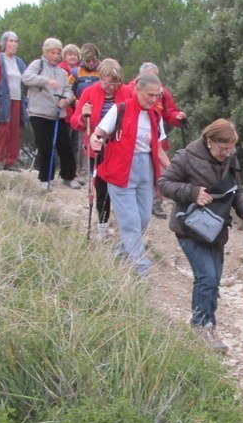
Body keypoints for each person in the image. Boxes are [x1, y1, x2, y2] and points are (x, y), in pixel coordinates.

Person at [158, 119, 243, 352]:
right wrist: (192, 193)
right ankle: (200, 328)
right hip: (188, 229)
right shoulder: (186, 157)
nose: (227, 153)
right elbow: (164, 183)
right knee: (207, 278)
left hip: (216, 229)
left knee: (213, 282)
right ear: (209, 140)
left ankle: (209, 325)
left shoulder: (231, 158)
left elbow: (237, 190)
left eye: (231, 148)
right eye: (223, 149)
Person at [89, 73, 168, 278]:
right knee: (131, 221)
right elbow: (99, 133)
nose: (153, 99)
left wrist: (173, 170)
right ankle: (140, 267)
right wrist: (95, 140)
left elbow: (157, 148)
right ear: (137, 90)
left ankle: (118, 254)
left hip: (145, 170)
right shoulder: (119, 109)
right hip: (120, 169)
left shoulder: (155, 116)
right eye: (150, 95)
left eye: (157, 96)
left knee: (143, 219)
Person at [70, 58, 131, 240]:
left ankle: (125, 228)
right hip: (96, 149)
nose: (110, 86)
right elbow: (75, 122)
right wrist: (83, 116)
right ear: (100, 77)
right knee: (101, 188)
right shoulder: (89, 92)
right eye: (106, 81)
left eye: (114, 82)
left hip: (119, 149)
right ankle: (103, 228)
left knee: (120, 188)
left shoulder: (127, 93)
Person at [130, 62, 187, 219]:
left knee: (159, 173)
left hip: (157, 139)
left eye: (156, 75)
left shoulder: (163, 92)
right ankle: (135, 204)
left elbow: (169, 111)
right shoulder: (130, 90)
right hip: (134, 144)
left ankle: (155, 203)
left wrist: (177, 117)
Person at [22, 38, 75, 187]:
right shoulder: (37, 65)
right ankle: (45, 178)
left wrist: (66, 99)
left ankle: (69, 176)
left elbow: (68, 90)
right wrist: (46, 80)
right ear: (45, 52)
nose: (56, 55)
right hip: (39, 113)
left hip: (57, 114)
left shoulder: (62, 72)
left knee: (64, 145)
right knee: (44, 145)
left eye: (59, 53)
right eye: (53, 52)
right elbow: (26, 78)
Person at [0, 31, 28, 171]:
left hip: (18, 100)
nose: (13, 44)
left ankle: (10, 161)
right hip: (3, 99)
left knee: (14, 131)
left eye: (15, 41)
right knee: (2, 129)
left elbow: (27, 79)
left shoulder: (19, 62)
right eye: (11, 41)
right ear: (4, 43)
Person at [60, 43, 84, 181]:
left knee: (75, 143)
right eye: (70, 54)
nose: (72, 57)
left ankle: (72, 171)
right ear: (65, 56)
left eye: (75, 54)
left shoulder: (81, 71)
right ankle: (64, 171)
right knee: (65, 142)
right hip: (65, 110)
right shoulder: (60, 70)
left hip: (77, 112)